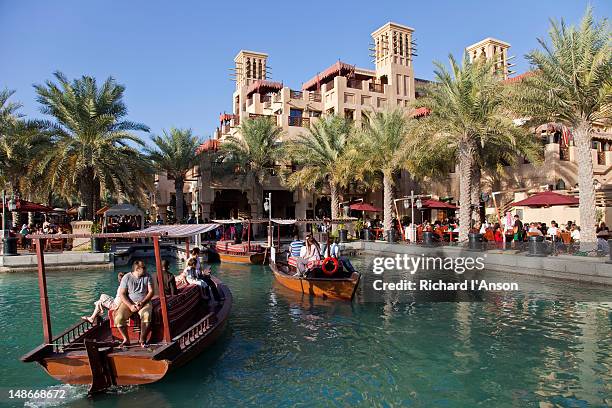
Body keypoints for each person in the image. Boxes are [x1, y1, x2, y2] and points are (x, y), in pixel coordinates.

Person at [114, 260, 154, 347]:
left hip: (144, 301)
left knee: (146, 315)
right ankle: (126, 339)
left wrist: (142, 303)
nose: (146, 269)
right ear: (137, 269)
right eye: (144, 267)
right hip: (129, 302)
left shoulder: (148, 276)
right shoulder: (127, 277)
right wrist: (130, 305)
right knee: (118, 318)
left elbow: (151, 292)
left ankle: (142, 339)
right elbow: (122, 294)